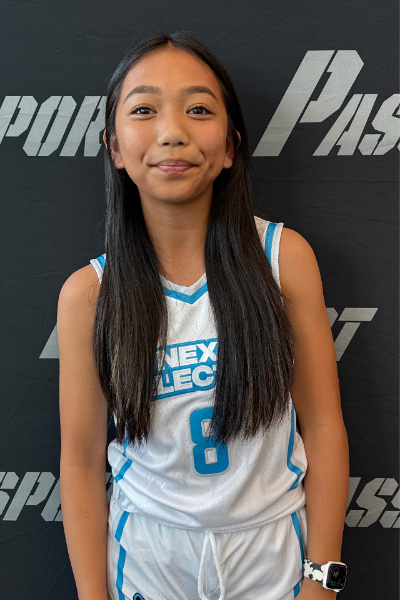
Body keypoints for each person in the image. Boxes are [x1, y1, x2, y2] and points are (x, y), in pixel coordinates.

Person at [57, 32, 349, 600]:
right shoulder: (89, 295)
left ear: (231, 146)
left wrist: (321, 581)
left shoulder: (284, 259)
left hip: (272, 551)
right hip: (148, 557)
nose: (172, 131)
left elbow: (323, 427)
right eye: (144, 110)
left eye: (197, 109)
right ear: (114, 147)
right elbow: (83, 461)